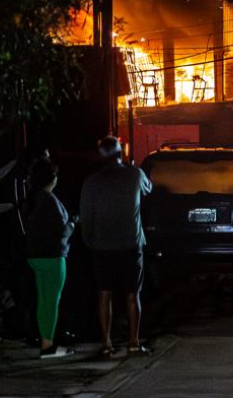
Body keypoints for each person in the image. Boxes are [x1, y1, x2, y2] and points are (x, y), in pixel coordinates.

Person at [79, 136, 152, 358]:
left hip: (102, 246)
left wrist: (90, 241)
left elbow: (85, 217)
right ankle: (132, 342)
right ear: (120, 154)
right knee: (132, 295)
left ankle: (106, 344)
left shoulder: (91, 182)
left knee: (104, 294)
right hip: (131, 244)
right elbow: (149, 189)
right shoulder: (135, 175)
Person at [24, 158, 76, 359]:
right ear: (51, 178)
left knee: (43, 300)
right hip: (53, 256)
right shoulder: (49, 200)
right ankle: (48, 345)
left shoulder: (33, 199)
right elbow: (61, 231)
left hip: (35, 255)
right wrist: (72, 223)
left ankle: (46, 341)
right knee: (52, 301)